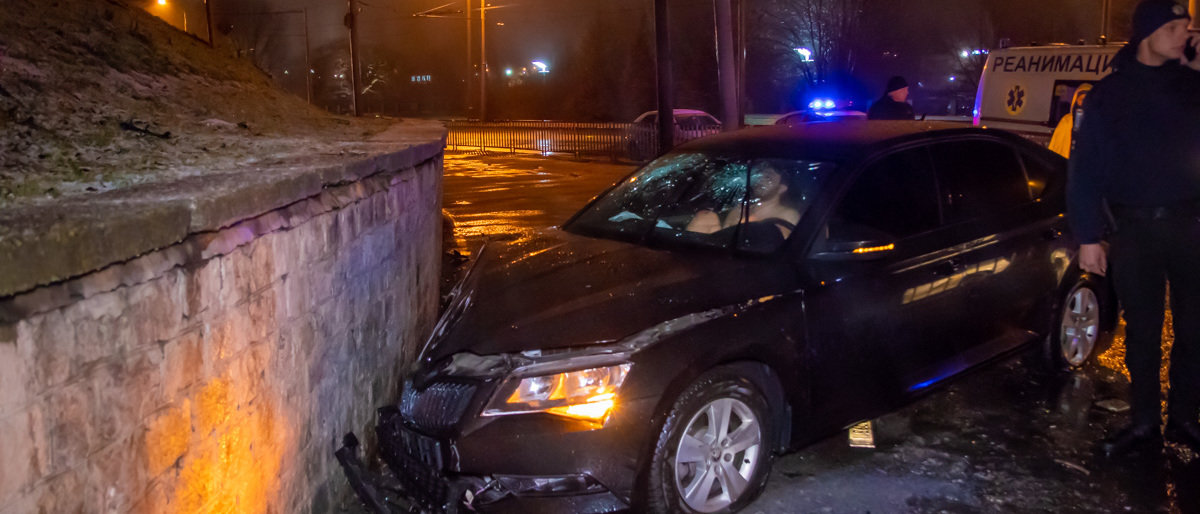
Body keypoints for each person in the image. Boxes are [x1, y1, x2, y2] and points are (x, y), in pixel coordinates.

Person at [1067, 0, 1200, 458]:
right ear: (1148, 33)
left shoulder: (1193, 87)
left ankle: (1184, 417)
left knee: (1195, 329)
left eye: (1187, 27)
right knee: (1142, 331)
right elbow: (1085, 171)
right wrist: (1088, 237)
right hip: (1134, 230)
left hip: (1191, 226)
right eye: (1175, 27)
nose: (1186, 34)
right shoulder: (1109, 95)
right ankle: (1143, 421)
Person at [687, 161, 801, 238]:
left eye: (768, 177)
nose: (760, 180)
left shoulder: (787, 215)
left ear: (781, 188)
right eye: (758, 175)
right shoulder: (740, 209)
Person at [1047, 83, 1092, 158]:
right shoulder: (1067, 120)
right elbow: (1056, 145)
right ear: (1076, 100)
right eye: (1081, 99)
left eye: (1087, 99)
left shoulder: (1096, 121)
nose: (1084, 102)